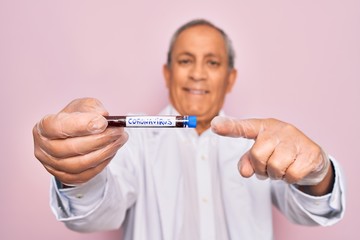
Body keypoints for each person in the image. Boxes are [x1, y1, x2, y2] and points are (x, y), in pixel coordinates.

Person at [33, 19, 345, 240]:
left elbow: (311, 212)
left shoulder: (261, 145)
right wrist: (76, 174)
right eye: (185, 61)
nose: (197, 74)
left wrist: (318, 173)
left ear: (230, 77)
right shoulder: (131, 142)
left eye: (212, 63)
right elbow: (94, 216)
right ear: (167, 74)